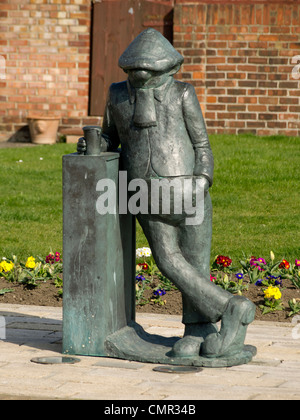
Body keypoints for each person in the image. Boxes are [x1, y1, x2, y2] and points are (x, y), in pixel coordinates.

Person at [78, 28, 255, 358]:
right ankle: (232, 307)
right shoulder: (117, 96)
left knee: (195, 261)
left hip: (189, 188)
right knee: (168, 259)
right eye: (136, 73)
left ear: (168, 70)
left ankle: (199, 330)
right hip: (145, 190)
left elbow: (202, 145)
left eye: (150, 73)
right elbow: (110, 137)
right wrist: (97, 143)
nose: (142, 80)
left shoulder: (183, 94)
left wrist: (201, 182)